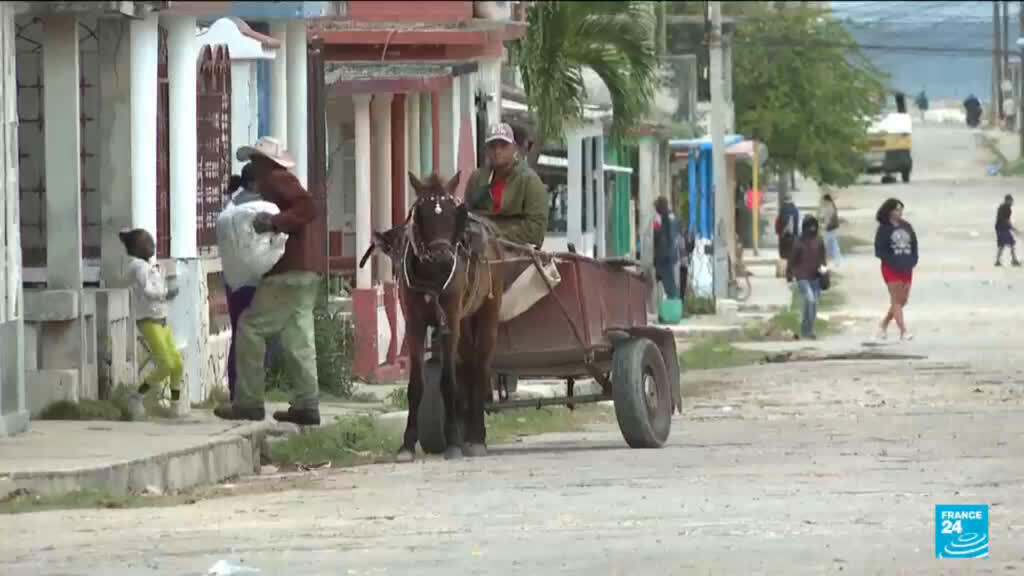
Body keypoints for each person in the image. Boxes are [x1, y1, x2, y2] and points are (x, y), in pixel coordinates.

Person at [214, 136, 321, 425]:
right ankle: (307, 405)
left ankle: (248, 402)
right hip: (306, 270)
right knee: (299, 340)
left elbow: (309, 207)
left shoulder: (276, 178)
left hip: (286, 271)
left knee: (250, 327)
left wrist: (275, 223)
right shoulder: (279, 181)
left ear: (266, 162)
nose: (253, 167)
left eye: (255, 160)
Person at [119, 228, 183, 419]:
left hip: (161, 321)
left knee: (177, 364)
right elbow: (147, 291)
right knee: (166, 365)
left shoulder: (149, 266)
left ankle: (175, 404)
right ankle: (137, 396)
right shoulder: (138, 267)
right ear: (137, 248)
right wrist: (166, 294)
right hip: (149, 322)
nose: (153, 246)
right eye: (148, 243)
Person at [215, 163, 262, 402]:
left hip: (232, 281)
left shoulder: (230, 206)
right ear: (255, 183)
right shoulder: (254, 208)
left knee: (240, 335)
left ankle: (238, 391)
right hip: (252, 282)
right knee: (250, 337)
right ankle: (246, 392)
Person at [465, 122, 549, 248]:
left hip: (516, 252)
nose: (497, 151)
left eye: (503, 145)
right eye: (492, 146)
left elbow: (536, 230)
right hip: (477, 247)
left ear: (514, 147)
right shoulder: (477, 178)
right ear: (487, 149)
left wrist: (496, 235)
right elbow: (466, 215)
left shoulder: (530, 181)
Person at [874, 198, 919, 341]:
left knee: (903, 300)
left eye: (901, 210)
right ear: (890, 211)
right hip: (891, 268)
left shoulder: (907, 226)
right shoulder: (884, 229)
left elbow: (914, 244)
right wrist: (892, 261)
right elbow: (879, 250)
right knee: (896, 300)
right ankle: (903, 332)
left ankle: (884, 324)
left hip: (906, 266)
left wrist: (913, 260)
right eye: (897, 209)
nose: (900, 212)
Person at [786, 215, 827, 340]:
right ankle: (806, 330)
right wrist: (789, 276)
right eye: (810, 227)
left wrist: (824, 272)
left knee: (813, 306)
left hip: (816, 277)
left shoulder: (819, 240)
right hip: (802, 277)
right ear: (805, 227)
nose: (812, 229)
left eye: (814, 226)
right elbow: (791, 260)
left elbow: (823, 258)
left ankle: (808, 331)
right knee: (810, 300)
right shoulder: (798, 242)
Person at [652, 196, 683, 299]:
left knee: (669, 286)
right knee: (670, 284)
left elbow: (664, 235)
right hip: (672, 255)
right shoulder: (673, 216)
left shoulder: (664, 218)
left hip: (664, 256)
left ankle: (671, 309)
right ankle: (672, 307)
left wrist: (655, 231)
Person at [995, 194, 1021, 267]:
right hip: (1003, 228)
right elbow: (1006, 220)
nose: (1012, 202)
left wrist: (1011, 228)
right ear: (1007, 200)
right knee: (1012, 244)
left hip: (999, 228)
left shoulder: (1002, 207)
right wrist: (1013, 228)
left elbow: (1003, 219)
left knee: (1001, 245)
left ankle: (997, 261)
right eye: (1011, 201)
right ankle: (1014, 260)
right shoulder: (1007, 208)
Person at [776, 191, 800, 260]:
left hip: (783, 236)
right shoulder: (795, 209)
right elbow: (797, 223)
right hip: (793, 236)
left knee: (784, 256)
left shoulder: (782, 209)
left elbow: (780, 222)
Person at [820, 193, 842, 267]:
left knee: (825, 245)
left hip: (828, 228)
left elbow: (827, 219)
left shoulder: (828, 207)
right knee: (834, 244)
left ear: (826, 200)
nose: (823, 202)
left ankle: (824, 261)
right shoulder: (832, 206)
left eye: (823, 200)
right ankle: (837, 260)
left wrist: (824, 226)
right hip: (832, 228)